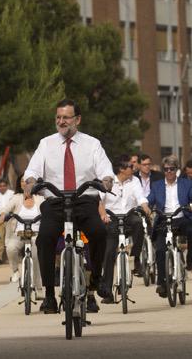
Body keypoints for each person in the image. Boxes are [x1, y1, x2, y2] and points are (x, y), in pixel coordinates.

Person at [24, 99, 114, 314]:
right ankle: (49, 295)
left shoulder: (92, 144)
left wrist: (106, 181)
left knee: (99, 232)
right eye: (58, 117)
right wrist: (30, 183)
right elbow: (32, 171)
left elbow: (106, 171)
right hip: (55, 201)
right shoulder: (46, 143)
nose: (61, 121)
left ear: (77, 119)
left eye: (66, 117)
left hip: (84, 200)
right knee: (44, 239)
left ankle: (96, 280)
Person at [147, 155, 192, 298]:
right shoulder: (157, 185)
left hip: (181, 218)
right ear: (163, 170)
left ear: (177, 169)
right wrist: (145, 207)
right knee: (160, 250)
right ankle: (161, 283)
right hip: (164, 221)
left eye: (172, 169)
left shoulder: (185, 183)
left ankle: (190, 260)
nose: (169, 172)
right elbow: (150, 200)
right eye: (166, 169)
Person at [100, 154, 150, 304]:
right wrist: (103, 215)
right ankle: (107, 291)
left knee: (139, 223)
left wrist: (145, 208)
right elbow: (99, 200)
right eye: (130, 166)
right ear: (121, 169)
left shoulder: (134, 180)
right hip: (112, 218)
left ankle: (136, 259)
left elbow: (140, 197)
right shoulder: (108, 181)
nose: (133, 168)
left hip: (129, 215)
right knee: (109, 252)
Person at [3, 175, 45, 298]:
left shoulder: (40, 198)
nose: (25, 183)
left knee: (36, 256)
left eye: (28, 181)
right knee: (11, 248)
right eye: (22, 181)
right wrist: (2, 215)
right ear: (20, 184)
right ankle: (15, 271)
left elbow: (48, 210)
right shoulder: (16, 198)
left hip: (36, 233)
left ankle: (39, 287)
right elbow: (5, 209)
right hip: (19, 233)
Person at [0, 178, 14, 266]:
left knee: (10, 239)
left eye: (4, 186)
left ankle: (11, 257)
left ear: (7, 186)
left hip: (10, 219)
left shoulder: (12, 194)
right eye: (0, 186)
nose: (2, 187)